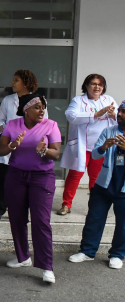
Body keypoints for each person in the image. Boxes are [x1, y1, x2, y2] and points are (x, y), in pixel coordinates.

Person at [0, 94, 61, 284]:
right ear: (26, 109)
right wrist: (12, 145)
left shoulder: (51, 125)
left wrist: (44, 150)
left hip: (42, 177)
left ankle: (46, 266)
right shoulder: (13, 125)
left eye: (43, 107)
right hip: (16, 175)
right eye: (37, 107)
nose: (42, 111)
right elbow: (0, 151)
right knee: (17, 218)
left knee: (41, 221)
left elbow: (56, 153)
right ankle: (22, 257)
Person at [68, 101, 125, 269]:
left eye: (123, 112)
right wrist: (103, 147)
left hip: (123, 189)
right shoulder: (108, 130)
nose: (119, 114)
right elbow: (94, 155)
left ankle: (117, 254)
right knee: (94, 218)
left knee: (123, 224)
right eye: (120, 111)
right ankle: (87, 251)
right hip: (103, 185)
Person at [58, 74, 118, 215]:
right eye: (93, 84)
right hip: (82, 146)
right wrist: (96, 115)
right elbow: (71, 116)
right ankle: (66, 204)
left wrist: (112, 115)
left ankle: (94, 206)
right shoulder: (78, 100)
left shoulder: (108, 100)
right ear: (86, 85)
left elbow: (119, 118)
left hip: (101, 147)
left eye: (100, 84)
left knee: (96, 178)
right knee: (75, 175)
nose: (97, 87)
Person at [0, 70, 46, 221]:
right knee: (5, 178)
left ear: (26, 83)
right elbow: (0, 119)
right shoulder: (8, 100)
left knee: (25, 181)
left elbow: (43, 123)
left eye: (16, 80)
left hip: (29, 146)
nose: (13, 83)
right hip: (10, 144)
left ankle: (22, 212)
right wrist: (3, 129)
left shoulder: (38, 100)